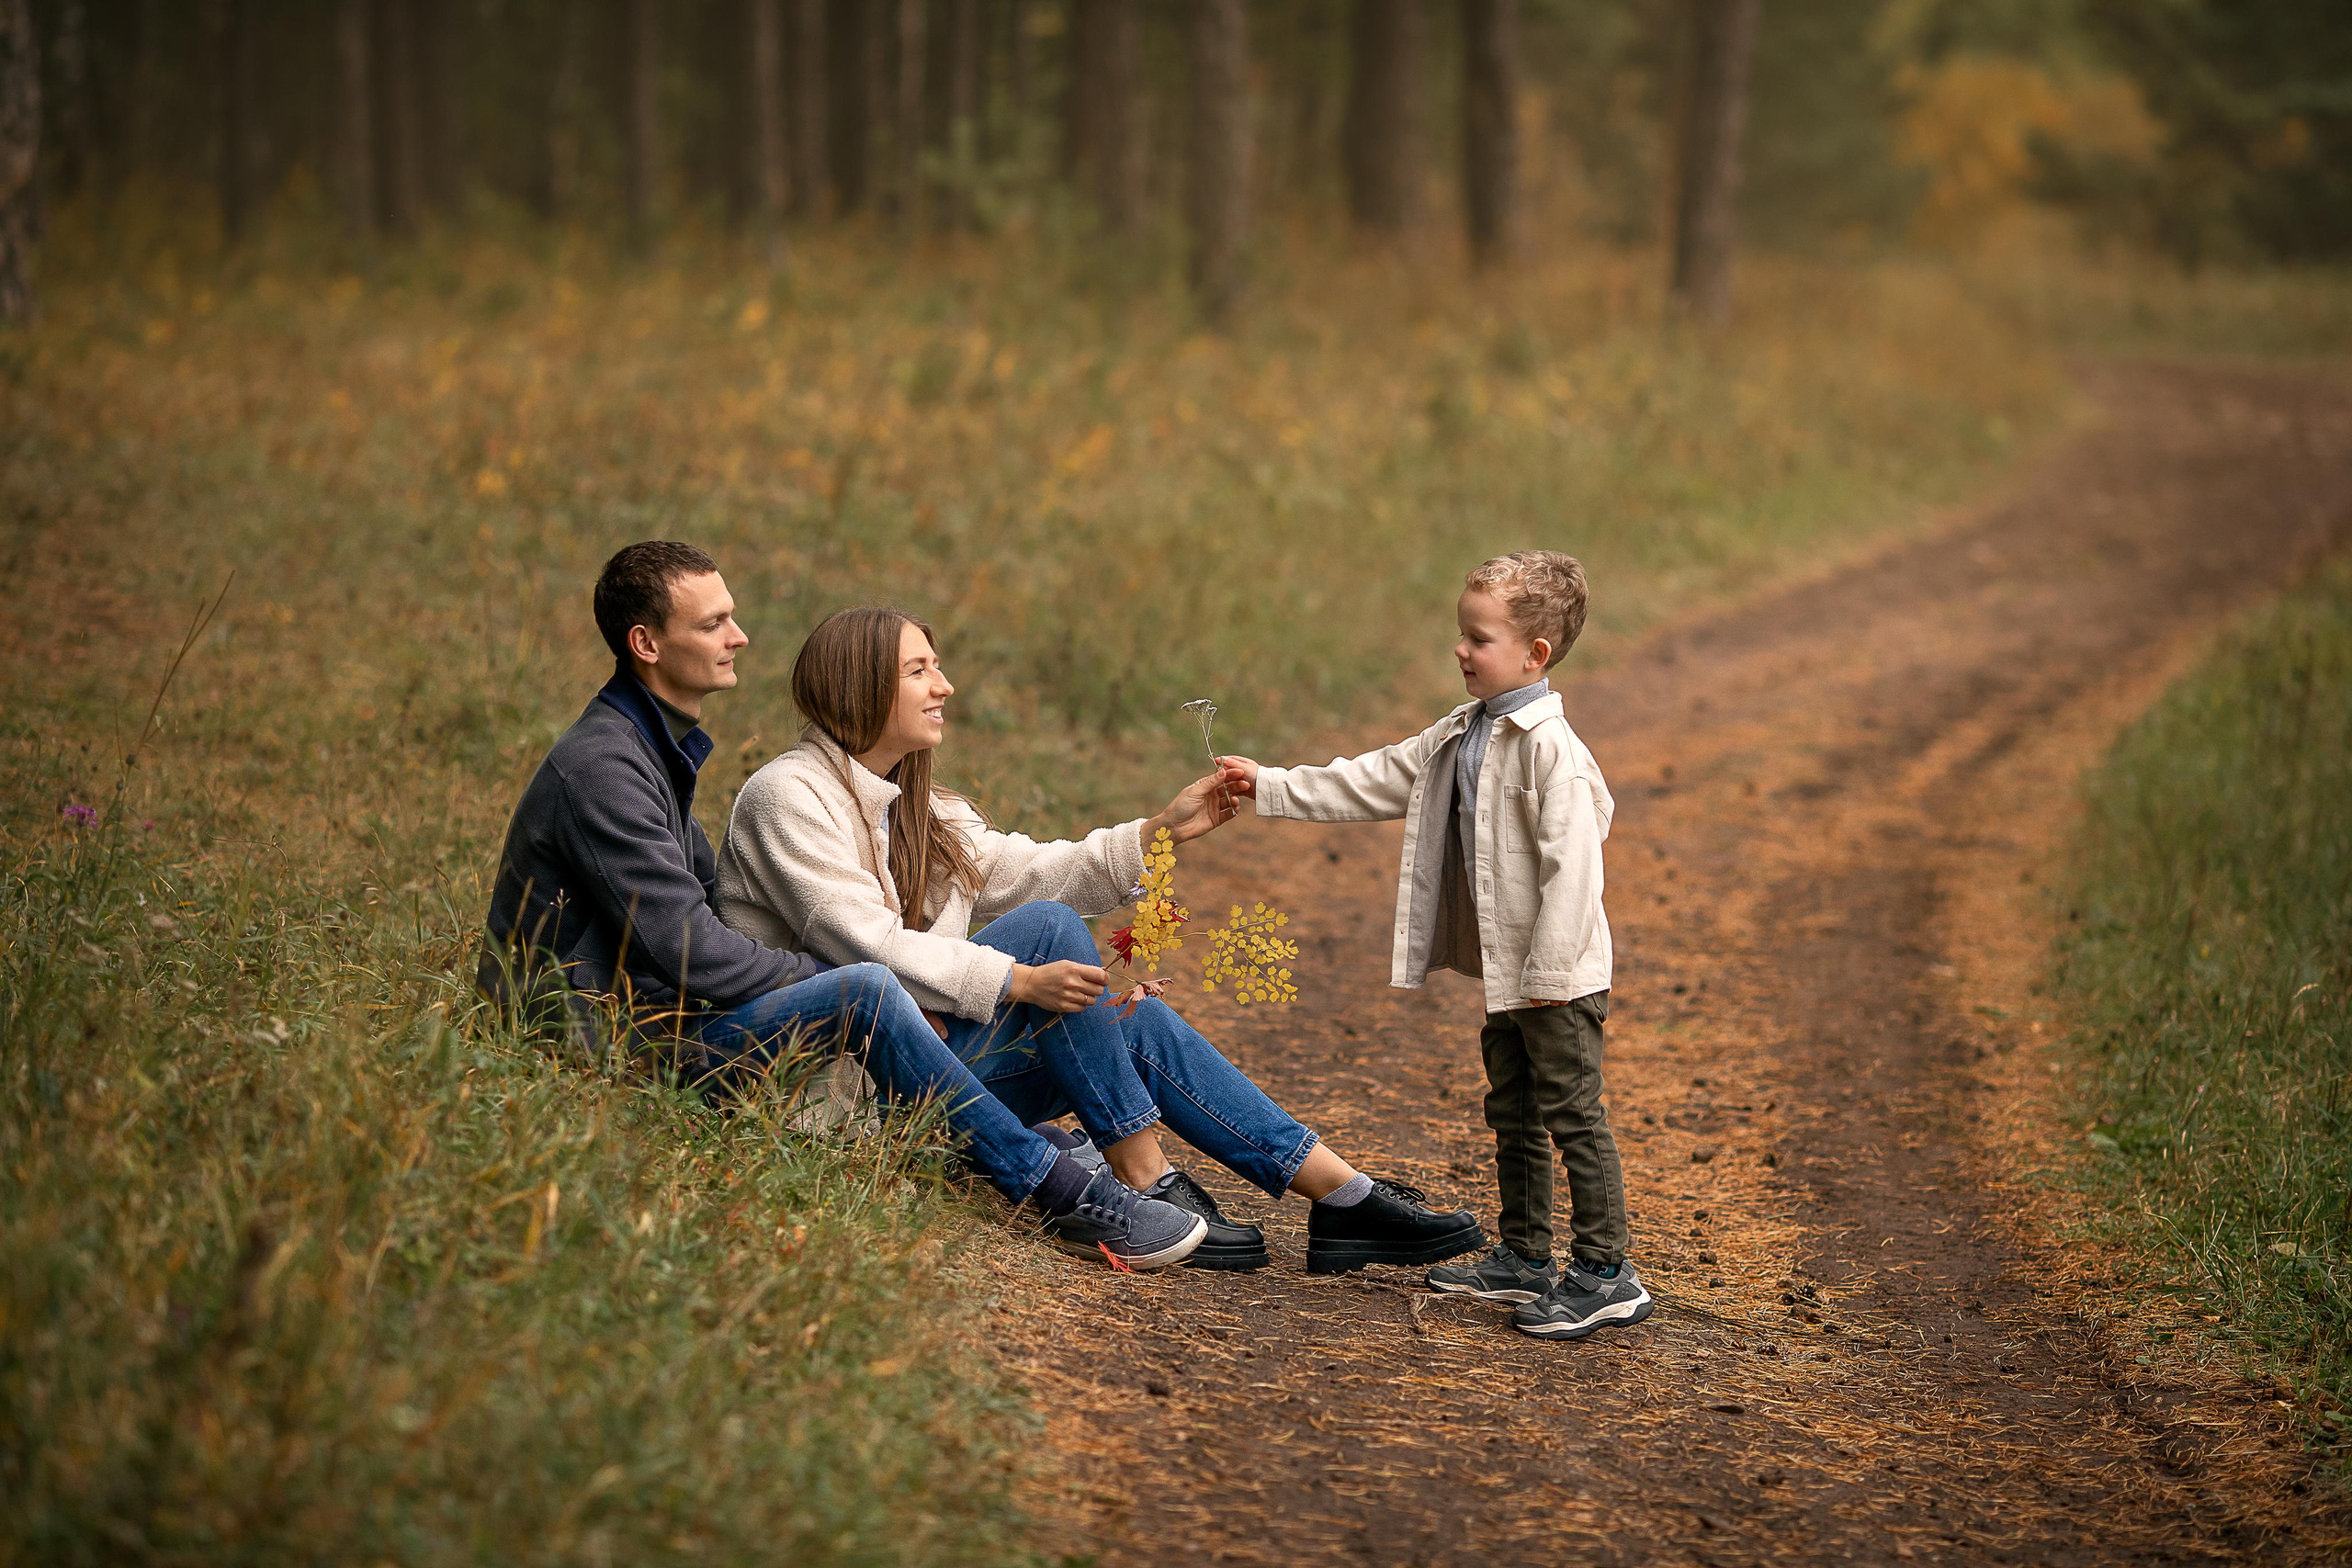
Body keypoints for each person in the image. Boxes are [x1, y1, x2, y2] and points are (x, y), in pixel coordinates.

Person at [476, 542, 1209, 1269]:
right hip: (606, 1049)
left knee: (1020, 965)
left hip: (664, 1026)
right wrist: (855, 979)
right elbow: (694, 949)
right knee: (866, 985)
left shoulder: (652, 749)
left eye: (732, 617)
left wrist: (1155, 836)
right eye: (712, 624)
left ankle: (1295, 1185)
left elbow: (1021, 870)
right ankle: (1059, 1186)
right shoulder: (608, 766)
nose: (740, 637)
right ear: (647, 643)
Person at [714, 605, 1485, 1275]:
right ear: (859, 686)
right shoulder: (789, 797)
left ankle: (1341, 1195)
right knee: (1050, 937)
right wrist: (1019, 983)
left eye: (937, 666)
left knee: (1126, 1016)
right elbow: (866, 946)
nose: (944, 686)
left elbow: (1032, 869)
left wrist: (1161, 832)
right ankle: (1142, 1173)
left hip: (928, 1074)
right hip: (839, 1100)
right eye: (920, 670)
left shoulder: (920, 806)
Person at [1218, 550, 1650, 1340]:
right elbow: (1375, 778)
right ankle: (1524, 1253)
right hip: (1511, 979)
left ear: (1534, 655)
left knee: (1572, 1113)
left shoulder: (1553, 753)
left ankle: (1606, 1270)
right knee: (1512, 1110)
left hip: (1558, 977)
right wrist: (1272, 784)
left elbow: (1575, 874)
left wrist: (1551, 973)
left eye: (1477, 638)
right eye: (1462, 633)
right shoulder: (1462, 733)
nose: (1460, 649)